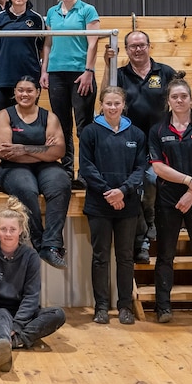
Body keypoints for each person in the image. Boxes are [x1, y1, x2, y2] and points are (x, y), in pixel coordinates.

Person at [149, 73, 192, 327]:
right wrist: (189, 183)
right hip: (168, 200)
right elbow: (158, 168)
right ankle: (163, 308)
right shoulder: (158, 130)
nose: (179, 100)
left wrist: (191, 192)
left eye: (184, 96)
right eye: (174, 97)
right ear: (168, 101)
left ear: (191, 99)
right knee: (165, 255)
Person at [103, 30, 178, 263]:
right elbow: (105, 95)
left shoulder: (164, 72)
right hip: (130, 142)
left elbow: (179, 100)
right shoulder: (120, 74)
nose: (137, 49)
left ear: (149, 46)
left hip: (159, 143)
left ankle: (149, 226)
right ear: (126, 49)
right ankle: (145, 235)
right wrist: (107, 66)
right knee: (134, 189)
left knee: (152, 183)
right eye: (132, 46)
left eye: (141, 45)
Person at [78, 86, 146, 325]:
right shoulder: (90, 132)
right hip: (99, 204)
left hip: (127, 205)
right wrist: (108, 192)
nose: (113, 107)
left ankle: (125, 306)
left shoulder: (136, 134)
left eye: (117, 103)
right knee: (100, 257)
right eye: (108, 103)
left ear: (123, 104)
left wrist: (122, 191)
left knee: (126, 257)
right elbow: (86, 167)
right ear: (102, 104)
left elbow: (140, 169)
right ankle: (101, 307)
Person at [0, 196, 66, 372]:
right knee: (1, 316)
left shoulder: (31, 257)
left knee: (58, 314)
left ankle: (4, 343)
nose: (8, 234)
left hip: (24, 314)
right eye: (3, 229)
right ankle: (1, 341)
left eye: (12, 229)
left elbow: (31, 296)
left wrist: (16, 326)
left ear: (20, 231)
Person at [0, 76, 71, 269]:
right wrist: (43, 150)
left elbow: (59, 151)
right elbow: (5, 152)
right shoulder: (5, 115)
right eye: (20, 90)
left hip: (45, 167)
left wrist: (24, 149)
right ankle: (40, 242)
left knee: (61, 182)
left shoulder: (49, 117)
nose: (24, 94)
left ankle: (52, 245)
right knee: (27, 189)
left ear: (38, 92)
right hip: (12, 168)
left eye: (29, 90)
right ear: (14, 92)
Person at [40, 0, 100, 189]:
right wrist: (44, 70)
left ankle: (85, 173)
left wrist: (88, 71)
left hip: (80, 73)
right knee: (62, 125)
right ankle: (66, 171)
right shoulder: (52, 12)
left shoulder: (87, 10)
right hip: (56, 74)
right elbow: (47, 43)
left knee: (84, 126)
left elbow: (93, 43)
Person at [0, 0, 47, 120]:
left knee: (27, 119)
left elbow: (42, 49)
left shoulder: (37, 19)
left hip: (29, 78)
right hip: (4, 78)